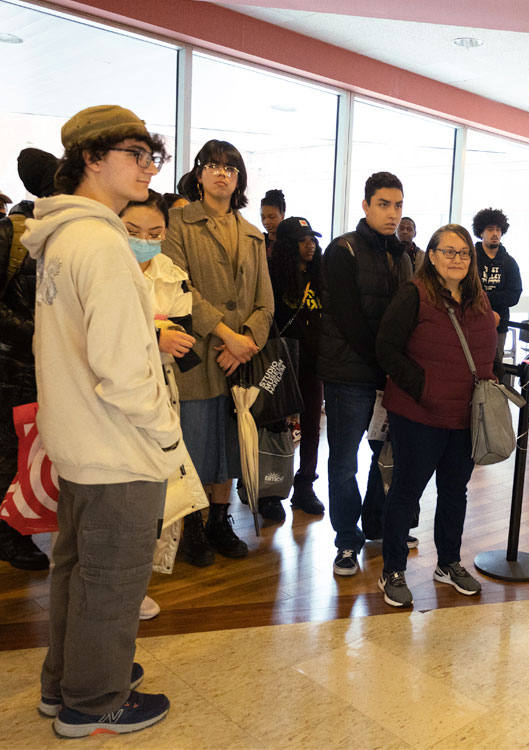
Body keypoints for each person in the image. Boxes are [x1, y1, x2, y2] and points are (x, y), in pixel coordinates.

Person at [23, 104, 180, 737]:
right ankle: (95, 702)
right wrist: (163, 429)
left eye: (152, 157)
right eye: (135, 155)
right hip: (116, 443)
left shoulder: (63, 236)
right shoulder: (102, 244)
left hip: (78, 435)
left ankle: (65, 684)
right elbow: (122, 365)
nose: (148, 168)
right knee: (111, 578)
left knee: (78, 569)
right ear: (91, 158)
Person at [375, 223, 501, 607]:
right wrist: (424, 389)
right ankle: (392, 570)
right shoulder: (414, 295)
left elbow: (486, 353)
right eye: (449, 251)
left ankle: (448, 562)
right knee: (405, 493)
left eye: (464, 253)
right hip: (418, 416)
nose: (457, 259)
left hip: (465, 418)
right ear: (431, 255)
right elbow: (386, 349)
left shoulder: (480, 301)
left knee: (454, 493)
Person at [162, 140, 274, 566]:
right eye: (212, 166)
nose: (222, 173)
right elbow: (178, 289)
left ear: (239, 178)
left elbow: (266, 303)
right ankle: (192, 526)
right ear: (199, 173)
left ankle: (219, 522)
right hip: (195, 355)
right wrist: (228, 335)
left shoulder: (253, 235)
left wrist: (246, 343)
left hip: (239, 361)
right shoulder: (179, 223)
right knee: (193, 442)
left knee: (230, 443)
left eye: (230, 167)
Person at [317, 171, 413, 576]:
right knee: (343, 463)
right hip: (350, 376)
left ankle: (375, 525)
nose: (392, 214)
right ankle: (346, 541)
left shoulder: (404, 255)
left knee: (385, 458)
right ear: (366, 206)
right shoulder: (343, 251)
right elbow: (348, 319)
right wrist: (385, 363)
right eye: (384, 205)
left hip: (388, 378)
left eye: (398, 206)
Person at [120, 189, 203, 621]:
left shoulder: (171, 272)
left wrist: (159, 334)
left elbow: (184, 343)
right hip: (113, 395)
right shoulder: (107, 268)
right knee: (120, 492)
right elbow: (101, 335)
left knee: (160, 489)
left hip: (162, 390)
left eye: (155, 233)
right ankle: (113, 584)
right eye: (133, 231)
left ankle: (136, 582)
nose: (144, 240)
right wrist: (156, 333)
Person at [0, 147, 59, 571]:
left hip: (45, 366)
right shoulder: (13, 234)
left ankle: (18, 526)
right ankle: (9, 535)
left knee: (31, 448)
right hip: (12, 365)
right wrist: (36, 332)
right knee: (9, 449)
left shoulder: (62, 233)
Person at [269, 216, 326, 517]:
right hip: (279, 362)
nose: (311, 245)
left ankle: (305, 486)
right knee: (275, 425)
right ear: (289, 246)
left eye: (313, 239)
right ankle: (271, 489)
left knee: (312, 428)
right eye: (304, 240)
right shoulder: (273, 278)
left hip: (313, 363)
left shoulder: (319, 277)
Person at [472, 207, 522, 364]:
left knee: (495, 366)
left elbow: (514, 295)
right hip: (471, 321)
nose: (495, 233)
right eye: (490, 229)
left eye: (498, 229)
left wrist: (484, 296)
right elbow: (464, 290)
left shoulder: (509, 262)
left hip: (499, 326)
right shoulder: (469, 259)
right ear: (481, 232)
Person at [260, 188, 285, 257]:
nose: (266, 222)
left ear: (282, 215)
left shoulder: (289, 243)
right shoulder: (259, 241)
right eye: (263, 217)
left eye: (272, 217)